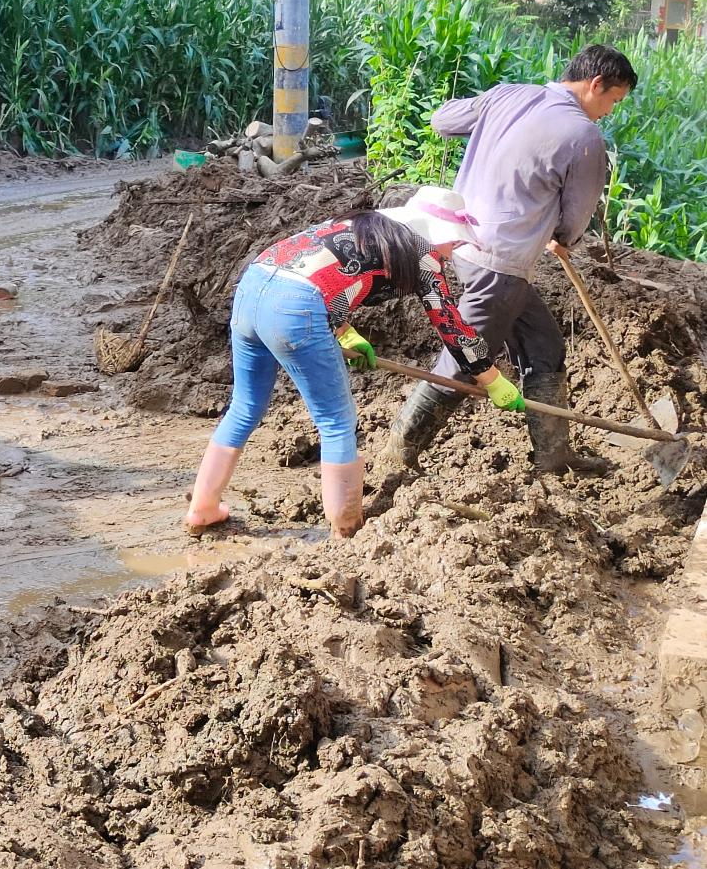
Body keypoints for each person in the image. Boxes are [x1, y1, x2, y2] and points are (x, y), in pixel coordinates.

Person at [184, 187, 524, 540]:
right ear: (437, 233)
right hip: (296, 310)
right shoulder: (422, 254)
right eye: (454, 242)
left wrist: (345, 333)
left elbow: (326, 277)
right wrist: (493, 379)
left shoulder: (358, 226)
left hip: (252, 289)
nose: (453, 250)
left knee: (244, 407)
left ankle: (202, 509)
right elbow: (451, 326)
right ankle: (346, 529)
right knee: (336, 421)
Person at [380, 44, 637, 478]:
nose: (608, 112)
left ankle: (553, 457)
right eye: (612, 101)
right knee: (467, 361)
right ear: (595, 85)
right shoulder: (583, 136)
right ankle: (398, 450)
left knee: (544, 347)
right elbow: (576, 217)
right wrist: (561, 237)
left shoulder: (507, 95)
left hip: (464, 244)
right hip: (502, 260)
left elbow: (442, 120)